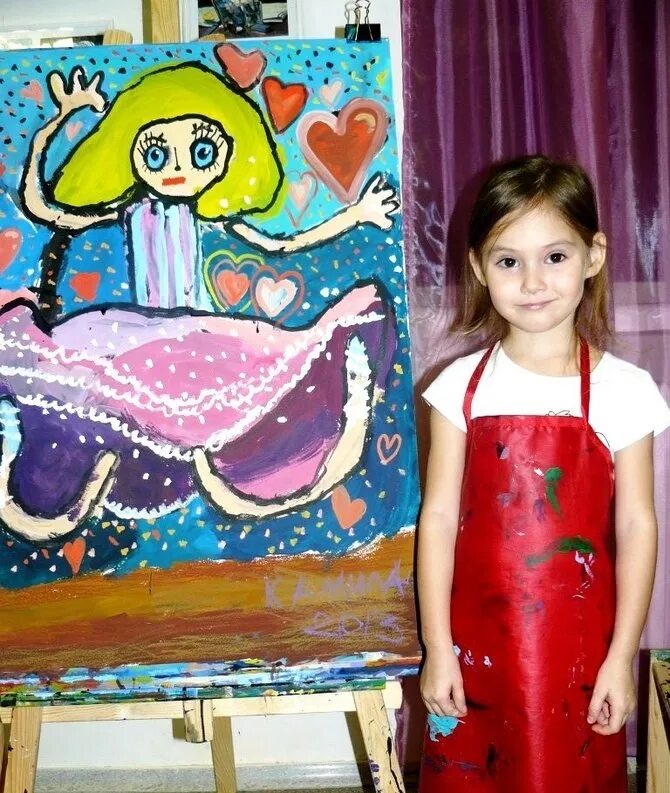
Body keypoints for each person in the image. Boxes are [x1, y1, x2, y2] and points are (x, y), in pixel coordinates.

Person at [417, 154, 670, 792]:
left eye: (554, 256)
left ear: (593, 256)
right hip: (475, 650)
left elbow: (638, 526)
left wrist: (621, 658)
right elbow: (439, 519)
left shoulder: (624, 390)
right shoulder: (458, 389)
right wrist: (437, 648)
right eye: (509, 261)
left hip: (578, 652)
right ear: (479, 268)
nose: (533, 281)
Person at [21, 62, 397, 318]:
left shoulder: (211, 220)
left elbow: (281, 245)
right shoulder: (127, 211)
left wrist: (357, 213)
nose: (177, 168)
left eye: (202, 152)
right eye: (156, 154)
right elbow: (40, 207)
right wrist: (58, 118)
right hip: (138, 336)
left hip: (197, 337)